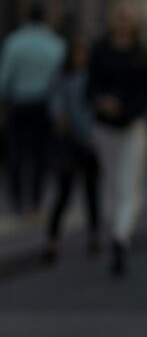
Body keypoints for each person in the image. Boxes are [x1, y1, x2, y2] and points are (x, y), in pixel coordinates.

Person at [86, 1, 147, 277]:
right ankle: (115, 230)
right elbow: (90, 86)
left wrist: (125, 107)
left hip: (132, 125)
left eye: (128, 17)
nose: (123, 22)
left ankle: (120, 237)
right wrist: (102, 102)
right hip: (104, 127)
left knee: (129, 183)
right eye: (119, 17)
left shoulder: (141, 53)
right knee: (110, 183)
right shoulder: (99, 49)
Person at [0, 3, 67, 217]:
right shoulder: (56, 44)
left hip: (19, 103)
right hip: (45, 105)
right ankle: (36, 200)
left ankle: (18, 201)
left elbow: (4, 79)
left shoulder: (14, 42)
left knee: (16, 152)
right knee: (41, 155)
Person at [41, 37, 101, 262]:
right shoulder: (62, 78)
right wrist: (60, 119)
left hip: (91, 143)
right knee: (63, 193)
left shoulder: (93, 79)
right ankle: (52, 239)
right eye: (77, 54)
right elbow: (55, 105)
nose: (80, 58)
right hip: (70, 142)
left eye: (84, 54)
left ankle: (94, 234)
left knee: (91, 191)